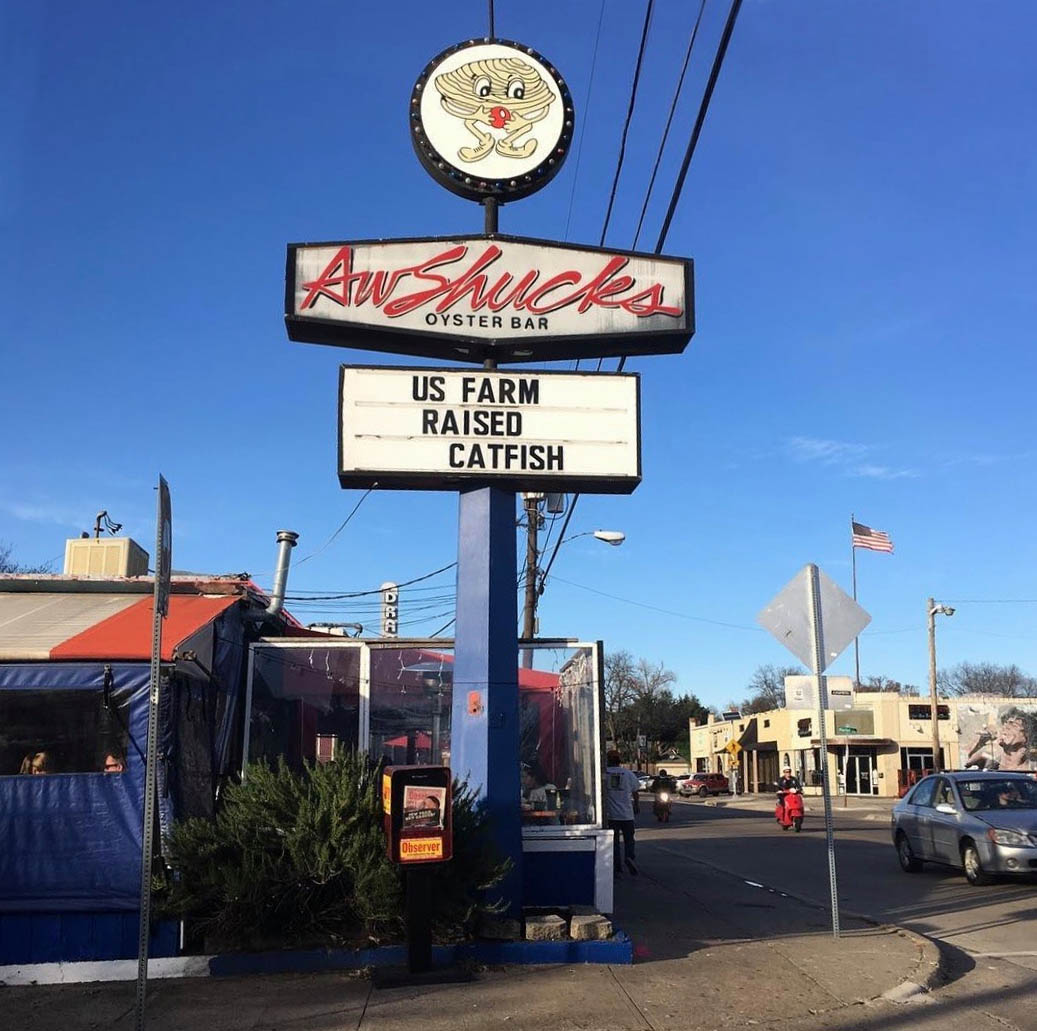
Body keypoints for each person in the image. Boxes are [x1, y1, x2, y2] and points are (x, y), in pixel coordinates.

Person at [605, 750, 640, 876]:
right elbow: (635, 791)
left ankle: (617, 867)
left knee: (614, 842)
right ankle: (629, 857)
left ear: (608, 760)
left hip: (611, 815)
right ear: (619, 760)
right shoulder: (628, 773)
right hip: (627, 814)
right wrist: (636, 805)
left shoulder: (605, 774)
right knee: (629, 840)